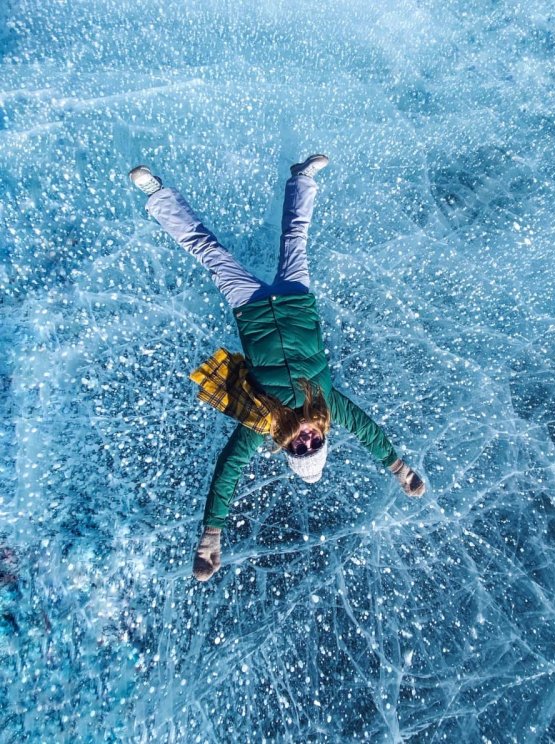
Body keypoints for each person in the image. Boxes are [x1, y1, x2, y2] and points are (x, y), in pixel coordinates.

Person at [129, 155, 426, 582]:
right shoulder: (325, 403)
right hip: (296, 303)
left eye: (298, 449)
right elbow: (368, 430)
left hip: (250, 310)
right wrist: (400, 470)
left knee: (208, 251)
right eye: (315, 445)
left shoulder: (263, 421)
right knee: (296, 238)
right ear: (322, 437)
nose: (307, 441)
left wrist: (212, 535)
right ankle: (301, 177)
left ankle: (157, 193)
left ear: (287, 447)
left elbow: (229, 468)